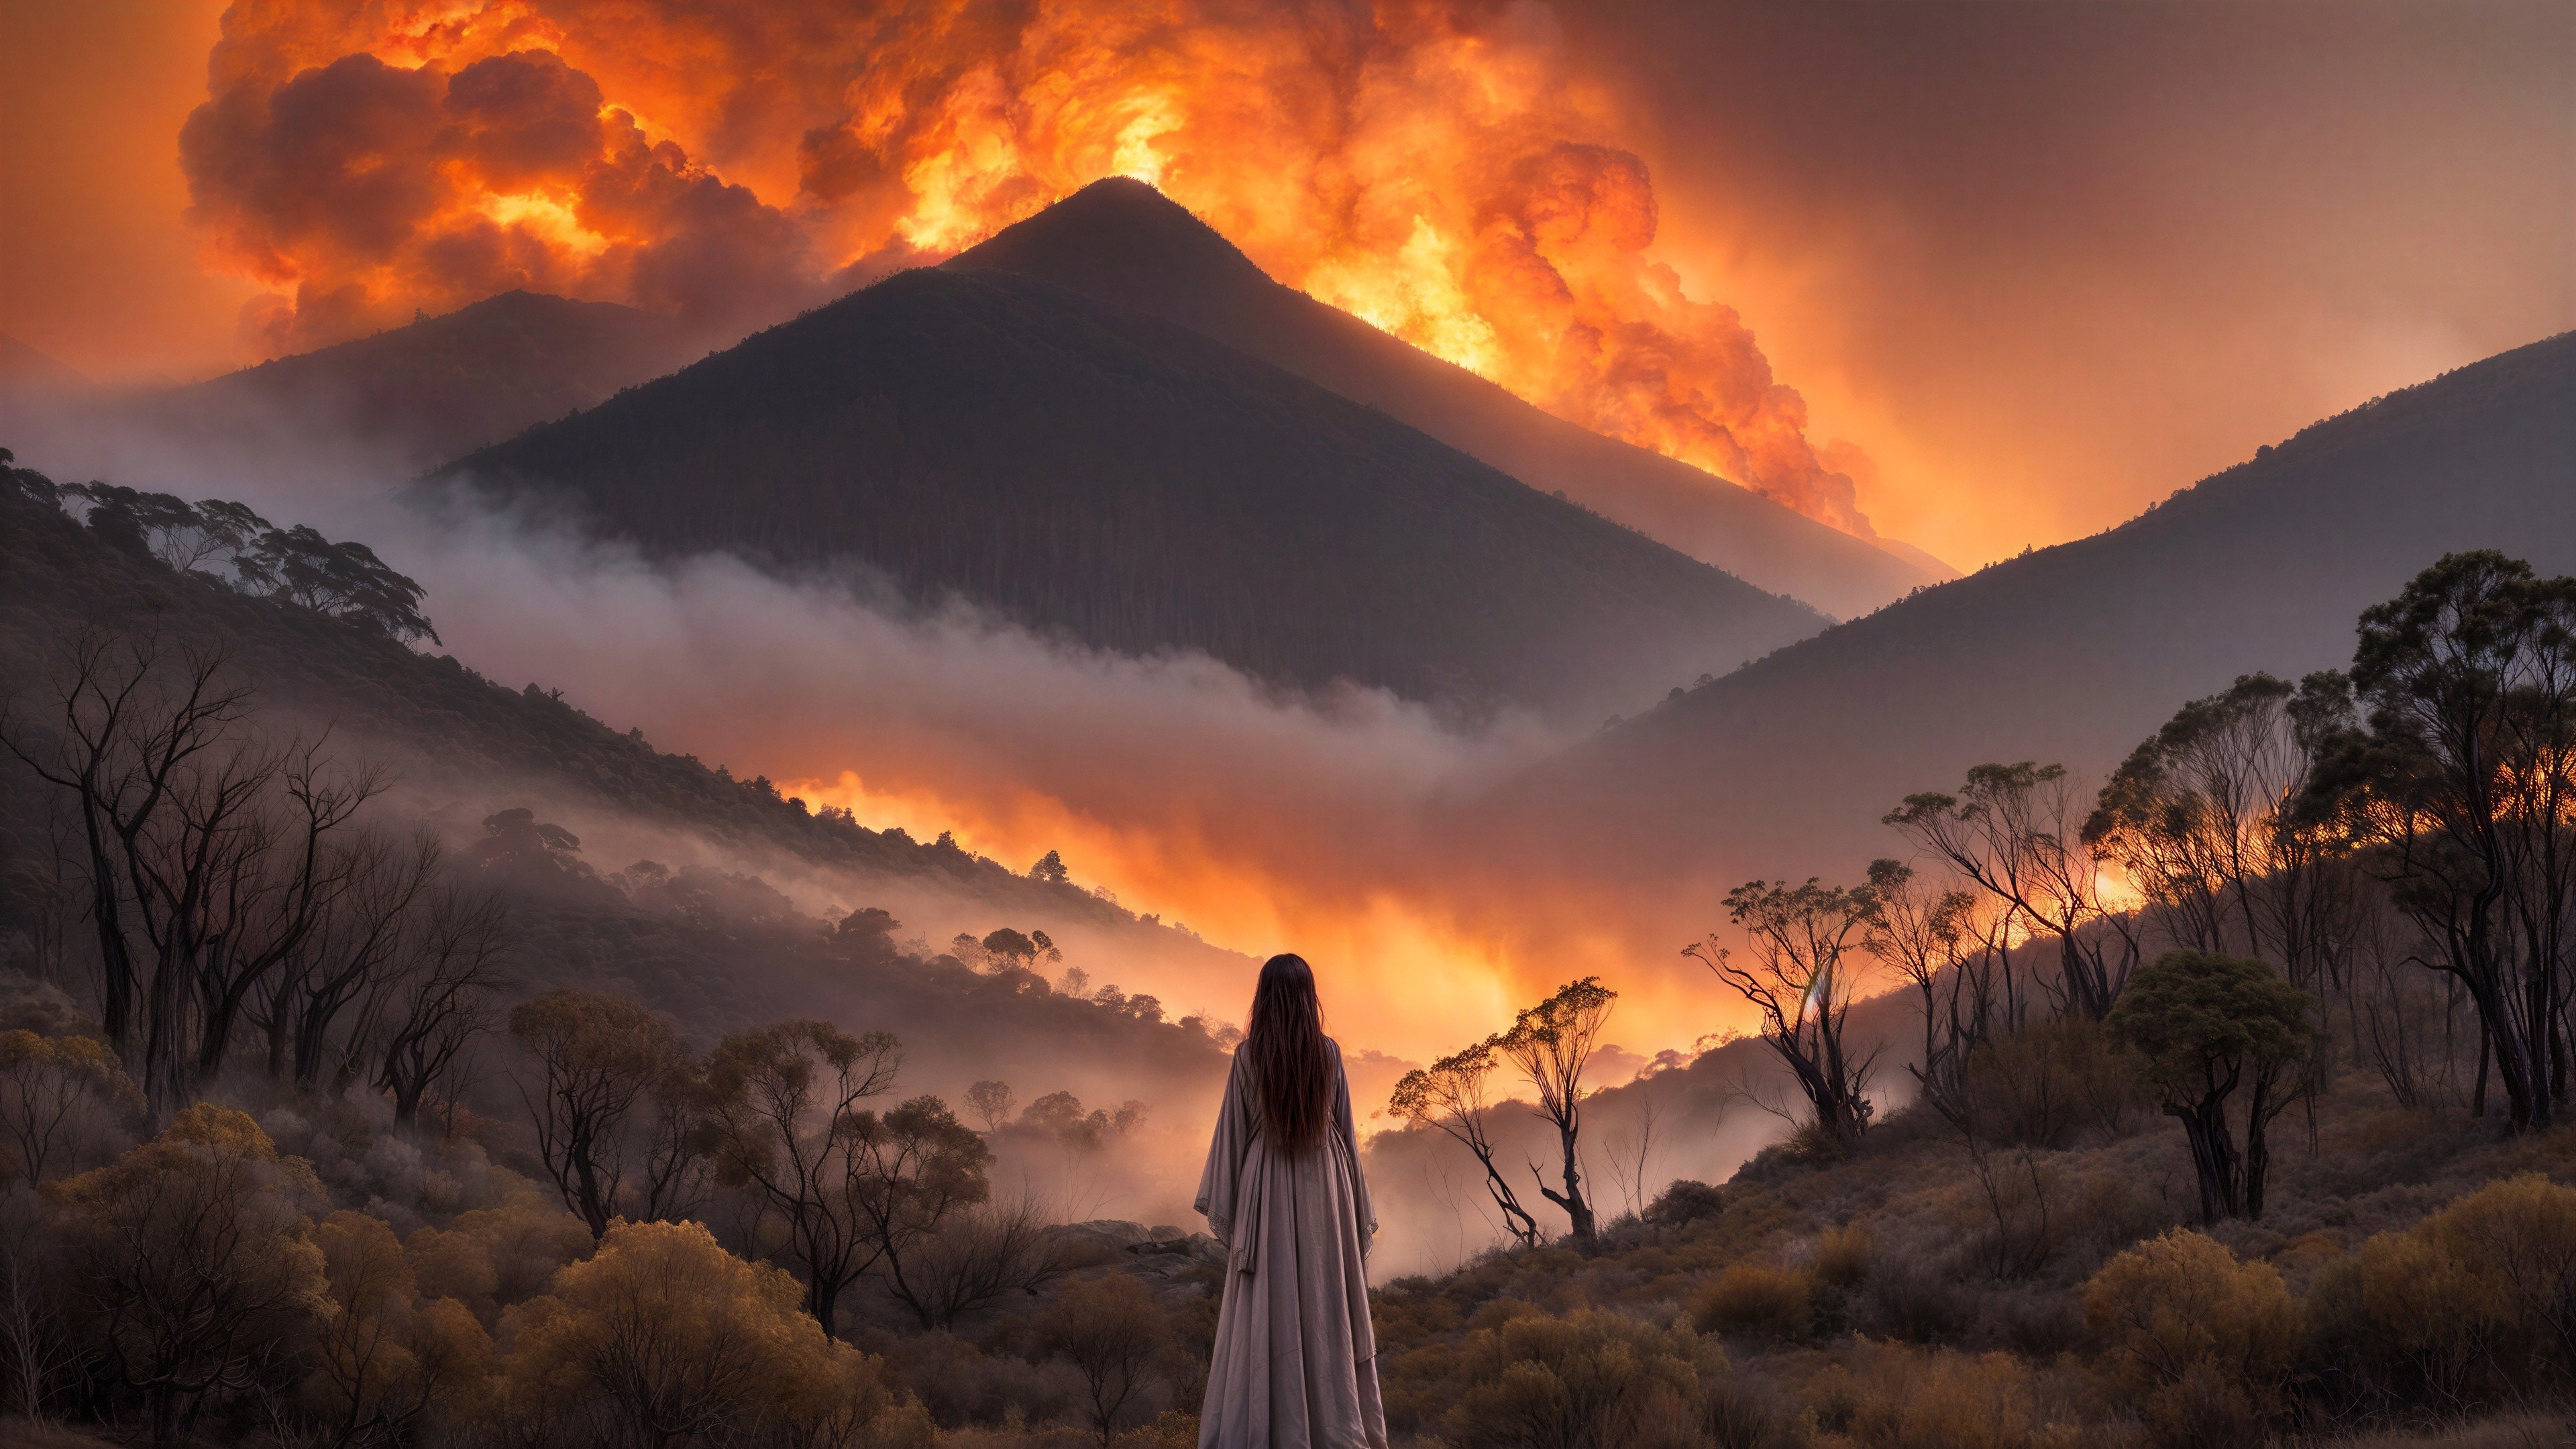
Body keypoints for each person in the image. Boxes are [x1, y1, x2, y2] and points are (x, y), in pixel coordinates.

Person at [1193, 953, 1386, 1448]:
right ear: (1308, 997)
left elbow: (1233, 1139)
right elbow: (1344, 1130)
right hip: (1326, 1181)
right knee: (1325, 1297)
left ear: (1264, 996)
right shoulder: (1330, 1053)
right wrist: (1354, 1204)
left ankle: (1270, 1428)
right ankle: (1333, 1426)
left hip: (1268, 1186)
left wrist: (1238, 1218)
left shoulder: (1247, 1056)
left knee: (1269, 1302)